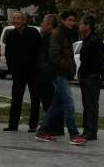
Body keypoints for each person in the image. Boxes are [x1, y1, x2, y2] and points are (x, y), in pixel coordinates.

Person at [36, 11, 84, 145]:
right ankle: (74, 134)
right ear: (62, 20)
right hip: (59, 73)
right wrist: (68, 66)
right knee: (69, 104)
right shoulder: (57, 34)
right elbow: (54, 56)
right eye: (69, 20)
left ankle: (42, 131)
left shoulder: (66, 33)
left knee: (56, 105)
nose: (72, 23)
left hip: (64, 73)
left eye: (73, 20)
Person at [2, 11, 42, 133]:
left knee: (35, 98)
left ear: (24, 20)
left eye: (18, 18)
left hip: (33, 71)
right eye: (14, 18)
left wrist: (38, 66)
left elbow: (40, 50)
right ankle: (13, 125)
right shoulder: (10, 35)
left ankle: (33, 125)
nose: (16, 21)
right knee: (16, 99)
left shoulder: (33, 32)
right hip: (18, 72)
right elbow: (8, 54)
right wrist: (11, 68)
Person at [77, 15, 104, 143]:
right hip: (86, 75)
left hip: (92, 76)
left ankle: (91, 131)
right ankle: (87, 130)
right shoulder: (86, 39)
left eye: (81, 24)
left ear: (87, 26)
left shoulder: (95, 41)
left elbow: (95, 60)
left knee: (91, 105)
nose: (79, 26)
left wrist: (95, 73)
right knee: (87, 104)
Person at [31, 13, 56, 133]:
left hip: (47, 75)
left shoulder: (52, 39)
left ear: (49, 25)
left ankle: (51, 126)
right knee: (45, 101)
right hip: (42, 73)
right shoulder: (43, 37)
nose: (41, 25)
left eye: (43, 23)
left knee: (49, 101)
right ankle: (51, 126)